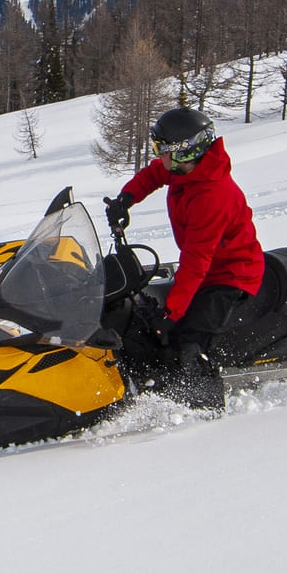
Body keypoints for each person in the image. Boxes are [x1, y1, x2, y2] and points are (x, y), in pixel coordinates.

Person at [104, 106, 264, 407]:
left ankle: (206, 407)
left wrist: (172, 312)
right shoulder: (186, 170)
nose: (159, 156)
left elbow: (196, 261)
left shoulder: (212, 195)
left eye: (163, 150)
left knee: (189, 338)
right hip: (206, 268)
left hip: (231, 275)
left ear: (185, 151)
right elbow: (153, 174)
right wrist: (127, 198)